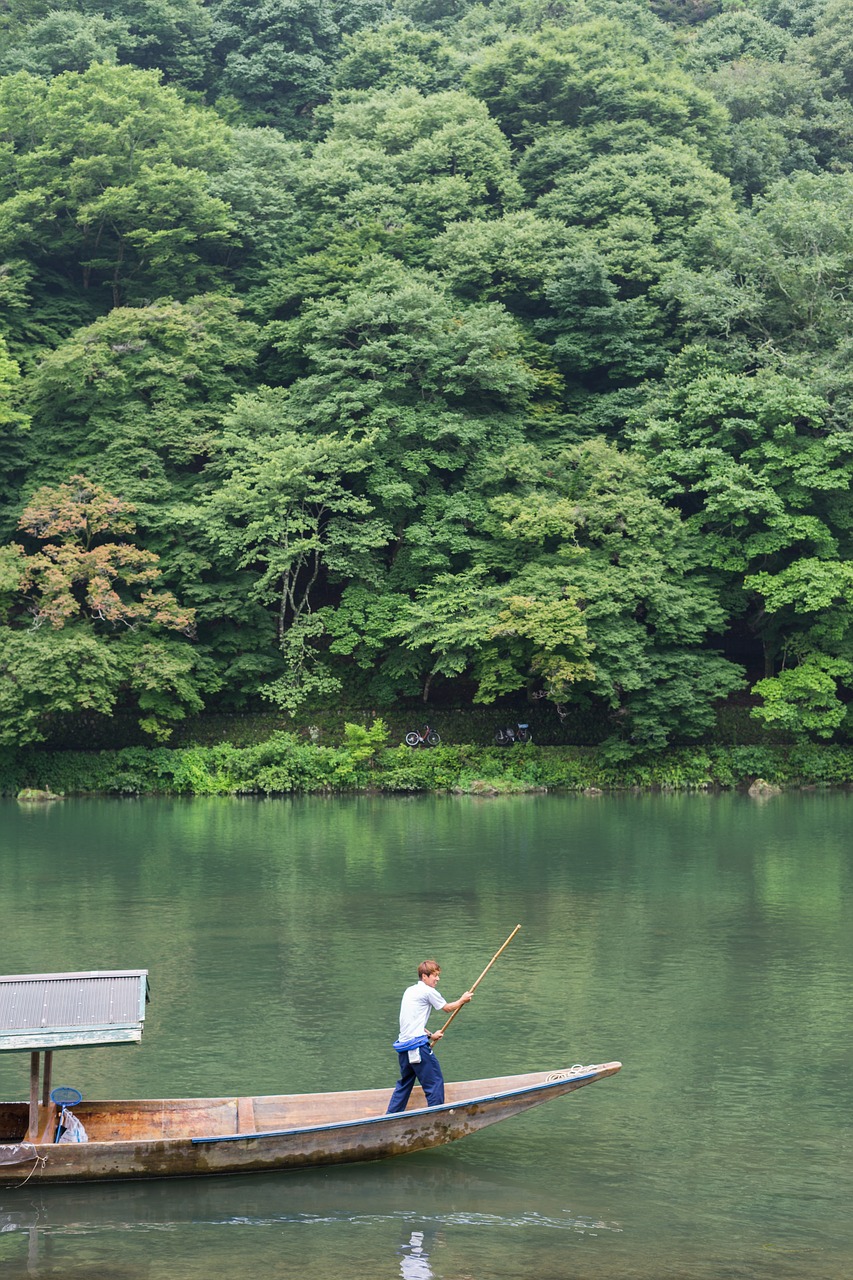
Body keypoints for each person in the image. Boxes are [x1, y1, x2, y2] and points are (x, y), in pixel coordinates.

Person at [385, 960, 472, 1113]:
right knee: (435, 1082)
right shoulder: (427, 991)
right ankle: (436, 1117)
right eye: (434, 976)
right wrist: (462, 1000)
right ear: (424, 976)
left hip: (404, 1049)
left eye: (438, 975)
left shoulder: (410, 991)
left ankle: (390, 1116)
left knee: (405, 1084)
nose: (437, 979)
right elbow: (447, 1008)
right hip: (417, 1048)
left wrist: (431, 1035)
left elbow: (411, 1022)